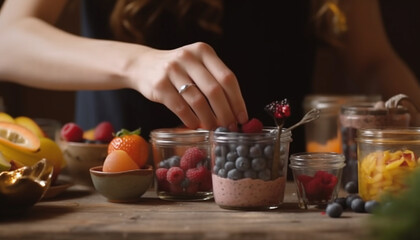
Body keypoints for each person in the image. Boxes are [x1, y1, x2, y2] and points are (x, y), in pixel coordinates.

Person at [0, 0, 419, 156]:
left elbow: (373, 61)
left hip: (279, 198)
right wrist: (136, 64)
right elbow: (9, 38)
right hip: (118, 194)